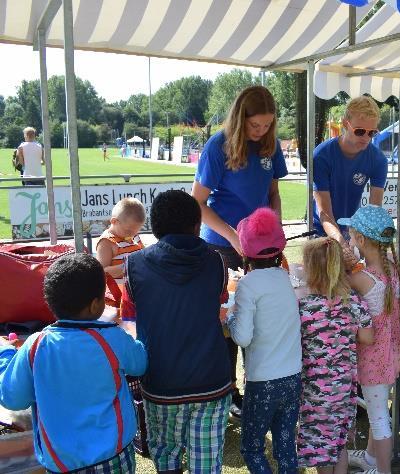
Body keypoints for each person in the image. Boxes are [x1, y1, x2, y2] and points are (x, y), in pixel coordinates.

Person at [0, 253, 147, 473]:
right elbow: (140, 363)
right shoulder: (112, 338)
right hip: (115, 457)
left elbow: (12, 398)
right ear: (96, 304)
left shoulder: (35, 346)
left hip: (61, 463)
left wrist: (6, 356)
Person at [122, 190, 233, 473]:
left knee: (166, 457)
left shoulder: (133, 265)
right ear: (197, 226)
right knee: (206, 463)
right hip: (212, 380)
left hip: (161, 383)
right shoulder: (218, 262)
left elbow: (130, 319)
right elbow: (219, 305)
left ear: (154, 227)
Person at [192, 85, 287, 416]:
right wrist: (234, 237)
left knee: (262, 316)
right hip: (223, 246)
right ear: (239, 118)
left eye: (266, 126)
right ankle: (229, 391)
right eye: (254, 126)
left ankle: (257, 386)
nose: (260, 132)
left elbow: (273, 192)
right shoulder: (218, 146)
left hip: (260, 247)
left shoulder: (269, 145)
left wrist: (273, 224)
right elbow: (198, 203)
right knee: (229, 318)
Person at [226, 207, 302, 472]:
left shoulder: (248, 284)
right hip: (293, 377)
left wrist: (229, 317)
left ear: (245, 253)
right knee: (285, 446)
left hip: (264, 381)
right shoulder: (284, 277)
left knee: (253, 448)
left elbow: (243, 338)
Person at [337, 205, 400, 474]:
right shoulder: (392, 270)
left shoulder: (361, 279)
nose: (350, 241)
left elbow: (336, 285)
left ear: (362, 240)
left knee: (378, 419)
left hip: (372, 360)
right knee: (380, 411)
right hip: (390, 355)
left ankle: (383, 470)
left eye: (352, 236)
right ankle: (370, 459)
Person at [297, 237, 374, 473]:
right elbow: (368, 337)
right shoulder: (354, 303)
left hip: (313, 391)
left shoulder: (303, 307)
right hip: (343, 389)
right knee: (340, 444)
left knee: (321, 448)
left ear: (310, 270)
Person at [312, 96, 387, 249]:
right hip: (321, 230)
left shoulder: (378, 159)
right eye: (360, 131)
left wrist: (365, 240)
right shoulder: (322, 155)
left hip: (352, 230)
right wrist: (340, 242)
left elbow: (375, 210)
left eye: (372, 133)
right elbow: (324, 212)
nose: (366, 138)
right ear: (346, 124)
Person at [97, 198, 145, 285]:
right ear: (114, 221)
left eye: (136, 231)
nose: (132, 234)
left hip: (137, 291)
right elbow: (101, 272)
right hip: (119, 295)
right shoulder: (107, 242)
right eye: (128, 231)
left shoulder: (133, 236)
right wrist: (128, 267)